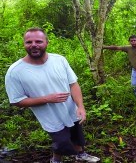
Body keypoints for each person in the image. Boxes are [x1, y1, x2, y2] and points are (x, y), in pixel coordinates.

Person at [5, 28, 100, 163]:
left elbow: (73, 84)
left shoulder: (59, 60)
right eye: (29, 42)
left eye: (38, 41)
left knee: (77, 135)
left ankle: (81, 154)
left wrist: (80, 106)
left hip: (71, 110)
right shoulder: (15, 71)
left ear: (47, 42)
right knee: (61, 142)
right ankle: (56, 160)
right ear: (24, 44)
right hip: (49, 116)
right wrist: (46, 99)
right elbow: (16, 101)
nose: (33, 45)